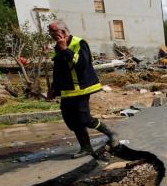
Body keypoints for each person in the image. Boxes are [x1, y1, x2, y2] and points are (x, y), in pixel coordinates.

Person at [47, 19, 118, 158]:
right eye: (49, 31)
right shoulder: (57, 47)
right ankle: (86, 148)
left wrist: (65, 50)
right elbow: (58, 71)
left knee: (84, 119)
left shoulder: (79, 43)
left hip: (81, 89)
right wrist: (53, 89)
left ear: (62, 31)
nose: (50, 34)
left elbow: (82, 64)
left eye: (52, 31)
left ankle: (111, 133)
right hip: (67, 92)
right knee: (71, 121)